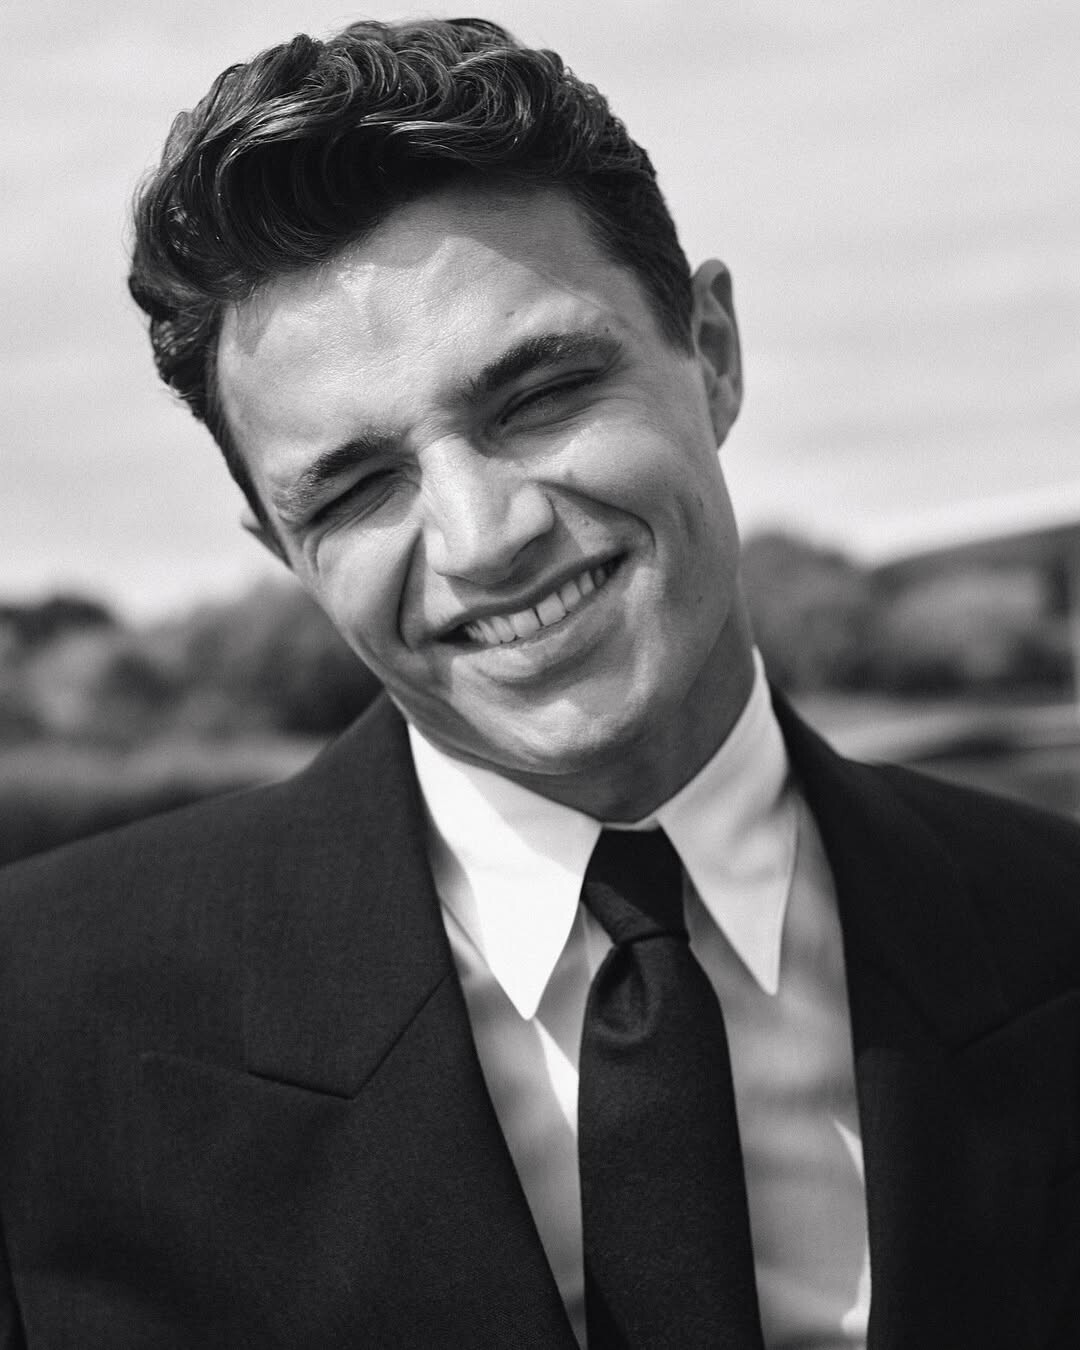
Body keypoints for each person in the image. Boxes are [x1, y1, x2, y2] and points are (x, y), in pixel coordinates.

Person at [1, 17, 1078, 1349]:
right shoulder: (38, 1027)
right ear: (284, 551)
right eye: (355, 487)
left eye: (539, 396)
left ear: (715, 352)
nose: (482, 538)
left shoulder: (1059, 927)